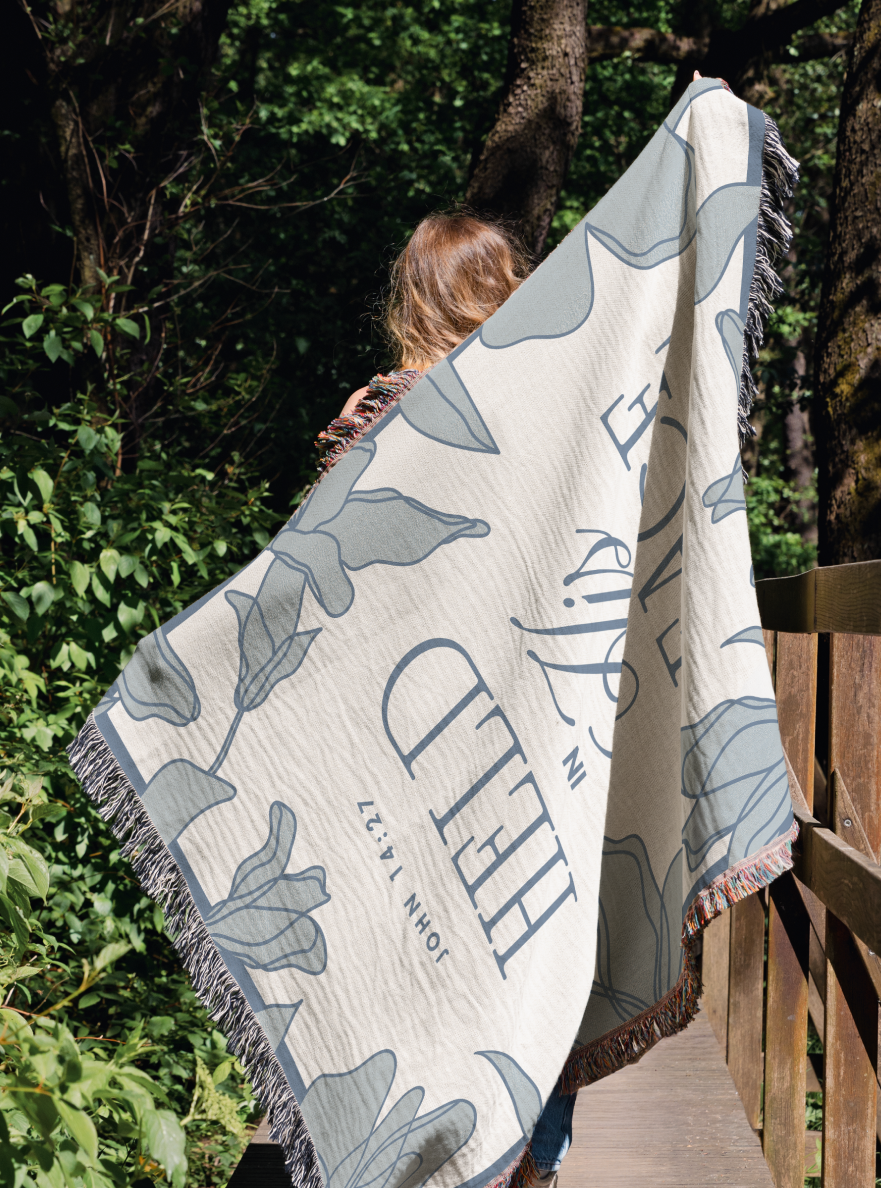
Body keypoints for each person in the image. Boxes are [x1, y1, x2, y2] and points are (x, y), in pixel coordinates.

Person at [313, 209, 576, 1187]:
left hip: (397, 720)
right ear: (503, 293)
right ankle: (527, 1165)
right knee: (532, 950)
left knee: (409, 948)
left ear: (412, 297)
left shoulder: (370, 409)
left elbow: (322, 572)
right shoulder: (545, 414)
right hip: (521, 720)